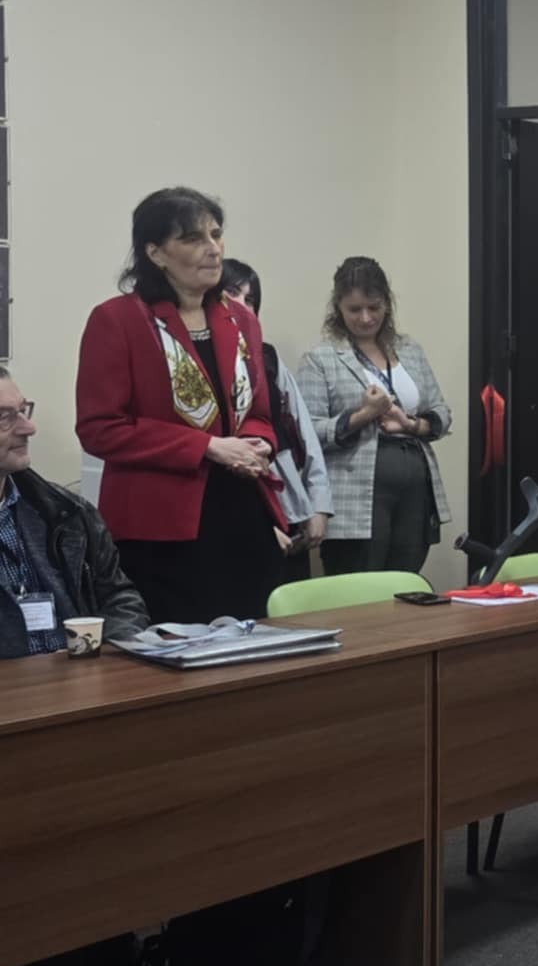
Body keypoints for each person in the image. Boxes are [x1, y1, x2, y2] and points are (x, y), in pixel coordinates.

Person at [77, 187, 287, 624]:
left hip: (242, 511)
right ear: (155, 252)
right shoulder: (117, 320)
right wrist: (207, 447)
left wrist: (257, 443)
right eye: (193, 239)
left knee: (256, 644)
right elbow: (100, 428)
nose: (213, 249)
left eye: (216, 234)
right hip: (161, 528)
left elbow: (261, 415)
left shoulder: (241, 319)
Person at [296, 257, 452, 575]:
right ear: (338, 307)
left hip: (415, 489)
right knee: (360, 585)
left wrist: (412, 424)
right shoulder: (321, 358)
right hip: (355, 499)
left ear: (387, 304)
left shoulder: (409, 350)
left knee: (405, 582)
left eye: (374, 307)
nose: (366, 318)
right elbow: (307, 433)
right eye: (355, 309)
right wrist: (364, 414)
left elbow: (441, 412)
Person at [0, 366, 148, 659]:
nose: (29, 428)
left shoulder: (68, 513)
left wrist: (106, 663)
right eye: (5, 417)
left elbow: (120, 599)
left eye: (23, 410)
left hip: (82, 680)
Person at [220, 259, 333, 583]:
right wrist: (260, 524)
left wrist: (318, 506)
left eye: (250, 299)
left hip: (289, 508)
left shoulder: (266, 357)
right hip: (239, 518)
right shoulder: (202, 361)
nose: (241, 305)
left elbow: (303, 433)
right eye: (232, 294)